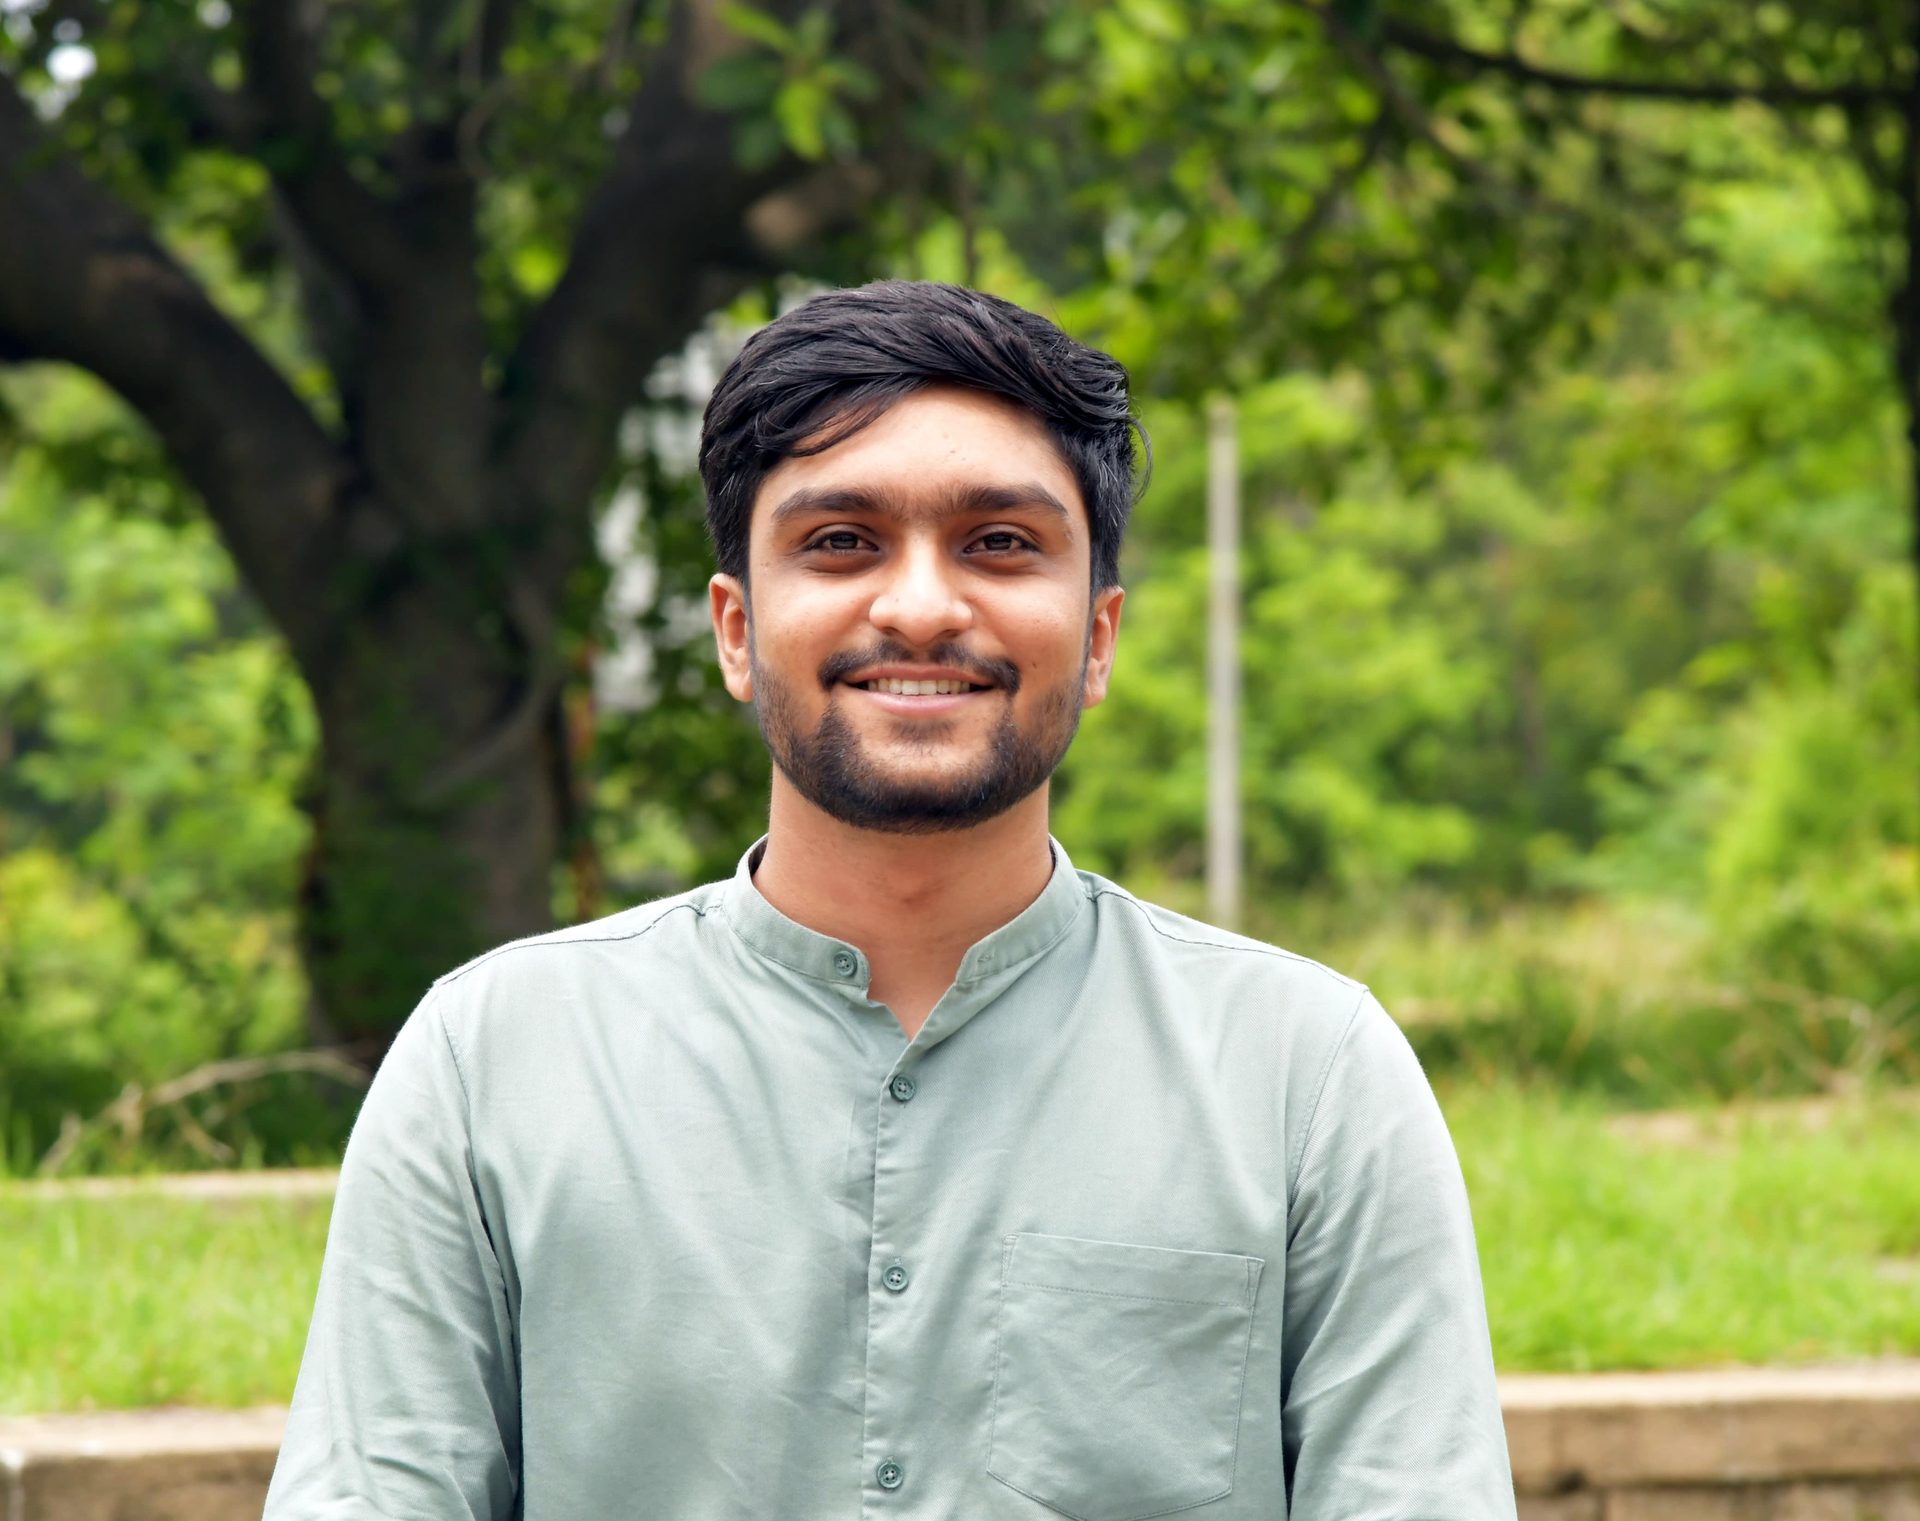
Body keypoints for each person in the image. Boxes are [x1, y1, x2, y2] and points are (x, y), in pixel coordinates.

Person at [263, 280, 1516, 1520]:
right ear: (737, 630)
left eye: (1001, 543)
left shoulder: (1308, 1079)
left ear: (1099, 638)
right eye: (842, 541)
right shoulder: (490, 1065)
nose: (920, 605)